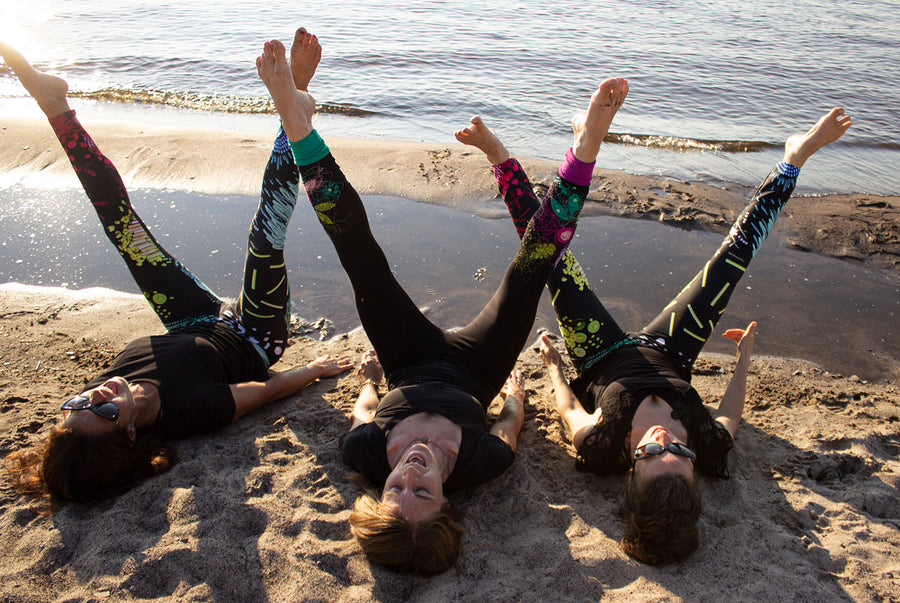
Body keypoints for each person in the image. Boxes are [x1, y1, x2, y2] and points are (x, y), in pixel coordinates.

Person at [256, 30, 628, 574]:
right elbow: (511, 420)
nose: (411, 470)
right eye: (423, 490)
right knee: (533, 269)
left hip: (405, 362)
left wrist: (368, 381)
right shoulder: (483, 463)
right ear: (445, 503)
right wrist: (516, 391)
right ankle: (587, 144)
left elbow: (362, 413)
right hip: (479, 369)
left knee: (360, 258)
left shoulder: (362, 454)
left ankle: (296, 119)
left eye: (396, 486)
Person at [455, 105, 852, 565]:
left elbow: (566, 408)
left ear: (629, 474)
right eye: (677, 450)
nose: (663, 436)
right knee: (731, 260)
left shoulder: (600, 447)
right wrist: (744, 359)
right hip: (671, 351)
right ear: (693, 469)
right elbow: (731, 414)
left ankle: (499, 157)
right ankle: (794, 159)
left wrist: (554, 368)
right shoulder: (708, 442)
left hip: (600, 352)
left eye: (648, 452)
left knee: (547, 259)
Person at [1, 33, 352, 510]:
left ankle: (56, 107)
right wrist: (313, 369)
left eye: (78, 403)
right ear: (127, 432)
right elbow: (266, 390)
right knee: (264, 235)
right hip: (254, 337)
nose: (95, 394)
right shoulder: (191, 411)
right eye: (101, 409)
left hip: (192, 321)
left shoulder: (110, 386)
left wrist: (94, 405)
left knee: (124, 232)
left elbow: (108, 394)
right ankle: (292, 105)